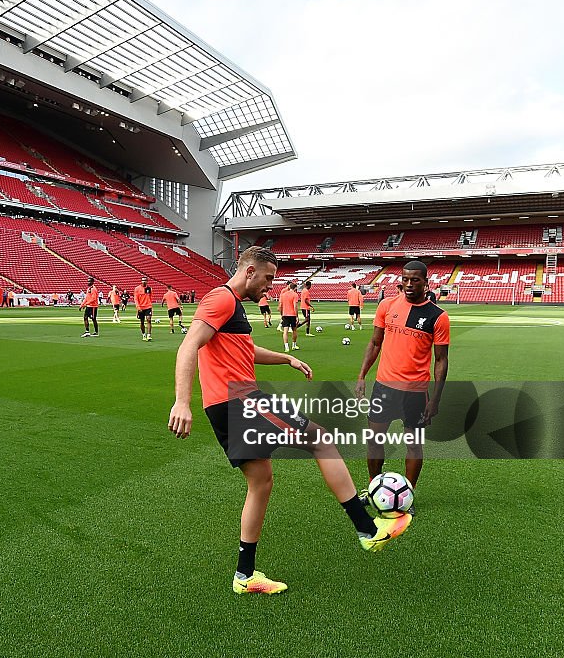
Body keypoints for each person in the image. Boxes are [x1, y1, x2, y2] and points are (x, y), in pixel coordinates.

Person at [168, 246, 411, 595]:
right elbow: (189, 345)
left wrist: (286, 359)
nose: (270, 287)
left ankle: (245, 575)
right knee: (321, 439)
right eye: (267, 278)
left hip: (229, 403)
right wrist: (181, 401)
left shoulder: (232, 305)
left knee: (261, 483)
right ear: (249, 271)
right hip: (240, 401)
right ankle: (368, 531)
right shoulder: (220, 299)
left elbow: (243, 351)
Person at [356, 260, 449, 511]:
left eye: (415, 280)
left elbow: (441, 360)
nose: (409, 284)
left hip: (415, 393)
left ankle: (407, 496)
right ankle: (374, 487)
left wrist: (436, 399)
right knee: (374, 440)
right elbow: (375, 343)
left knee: (414, 444)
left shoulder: (438, 317)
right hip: (384, 388)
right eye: (405, 279)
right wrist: (362, 375)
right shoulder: (386, 306)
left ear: (425, 282)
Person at [278, 281, 299, 351]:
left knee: (285, 331)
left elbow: (280, 306)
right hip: (292, 314)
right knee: (294, 330)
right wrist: (297, 316)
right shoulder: (295, 295)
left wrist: (281, 314)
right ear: (295, 288)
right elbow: (295, 306)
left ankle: (286, 347)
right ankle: (294, 345)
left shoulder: (284, 294)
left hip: (285, 314)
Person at [134, 277, 153, 341]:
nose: (144, 282)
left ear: (147, 281)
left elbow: (150, 297)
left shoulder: (149, 288)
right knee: (142, 322)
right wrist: (138, 308)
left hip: (148, 306)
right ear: (141, 281)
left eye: (145, 280)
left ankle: (149, 335)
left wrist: (150, 306)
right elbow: (136, 299)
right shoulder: (137, 289)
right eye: (143, 280)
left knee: (149, 319)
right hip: (141, 307)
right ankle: (143, 334)